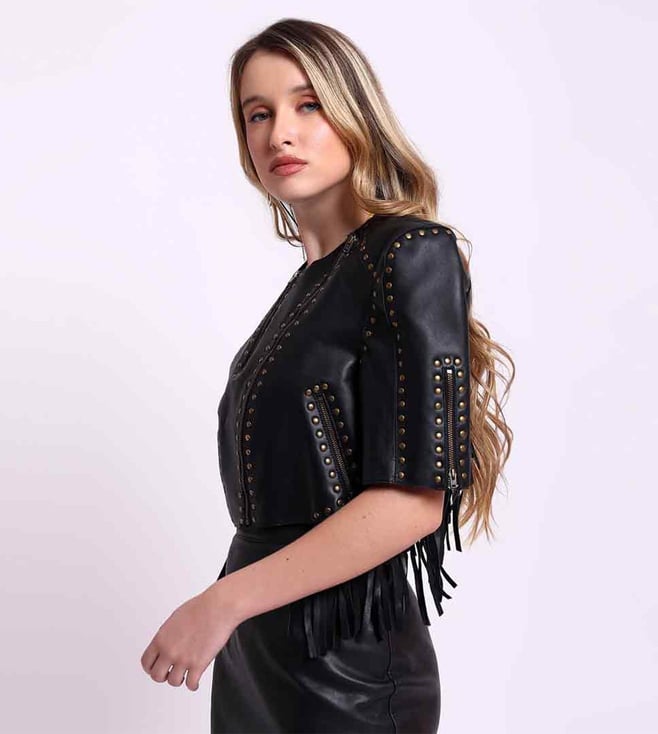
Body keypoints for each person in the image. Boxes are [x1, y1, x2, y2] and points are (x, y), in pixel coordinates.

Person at [140, 17, 515, 734]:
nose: (280, 133)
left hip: (347, 669)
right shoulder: (308, 286)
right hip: (258, 654)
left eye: (307, 104)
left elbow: (412, 503)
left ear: (354, 113)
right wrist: (232, 610)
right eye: (258, 114)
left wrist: (219, 604)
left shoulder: (410, 252)